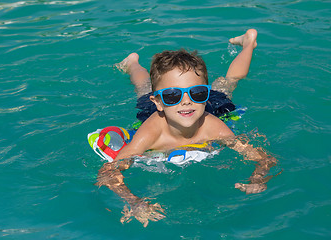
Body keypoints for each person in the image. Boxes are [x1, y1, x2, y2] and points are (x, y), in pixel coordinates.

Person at [96, 29, 278, 227]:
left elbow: (263, 157)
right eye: (173, 95)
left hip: (210, 109)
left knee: (229, 83)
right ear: (159, 102)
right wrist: (135, 202)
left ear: (204, 95)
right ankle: (132, 63)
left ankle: (249, 42)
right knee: (143, 86)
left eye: (197, 93)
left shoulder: (213, 127)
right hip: (157, 114)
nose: (186, 102)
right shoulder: (151, 132)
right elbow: (108, 171)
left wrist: (257, 177)